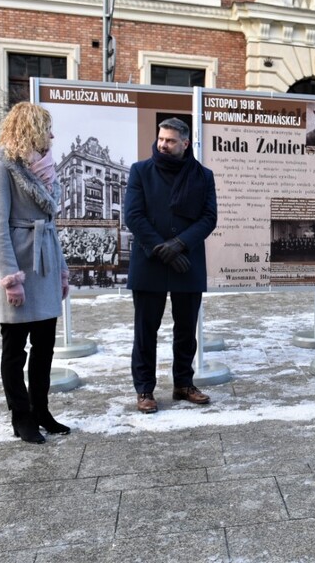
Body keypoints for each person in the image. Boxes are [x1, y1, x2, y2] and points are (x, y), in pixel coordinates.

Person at [0, 102, 71, 444]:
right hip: (18, 263)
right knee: (15, 348)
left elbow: (50, 225)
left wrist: (62, 270)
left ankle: (41, 410)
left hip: (45, 264)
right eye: (46, 128)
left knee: (45, 344)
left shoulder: (45, 167)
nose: (51, 135)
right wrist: (10, 278)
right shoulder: (1, 166)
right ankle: (21, 417)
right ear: (30, 129)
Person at [125, 117, 218, 414]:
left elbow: (208, 217)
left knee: (186, 329)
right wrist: (161, 248)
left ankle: (183, 384)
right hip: (150, 260)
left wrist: (180, 245)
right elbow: (134, 216)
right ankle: (144, 390)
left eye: (170, 141)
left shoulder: (203, 176)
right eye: (161, 139)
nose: (163, 145)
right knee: (145, 330)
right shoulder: (141, 171)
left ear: (185, 143)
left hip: (187, 261)